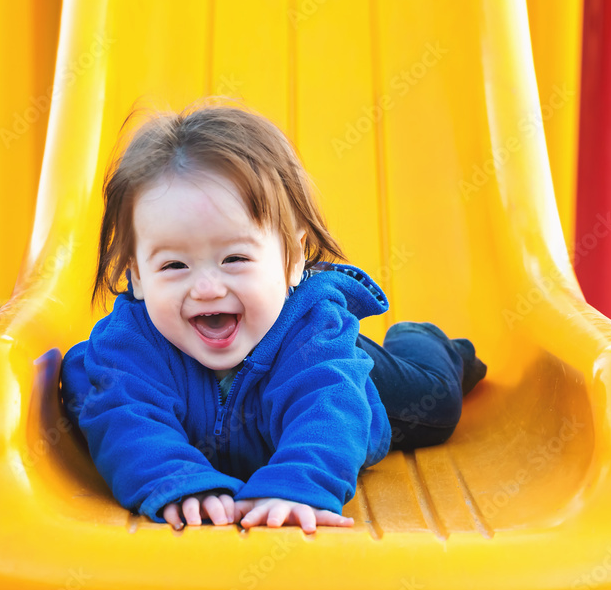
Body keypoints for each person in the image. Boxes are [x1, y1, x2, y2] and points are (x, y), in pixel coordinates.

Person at [59, 101, 486, 534]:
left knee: (439, 403)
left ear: (295, 258)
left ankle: (422, 339)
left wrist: (296, 484)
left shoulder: (314, 334)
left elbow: (329, 408)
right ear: (135, 276)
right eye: (174, 266)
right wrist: (180, 482)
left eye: (235, 258)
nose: (206, 288)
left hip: (352, 380)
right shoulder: (129, 344)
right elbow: (123, 415)